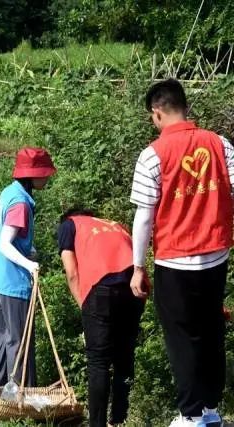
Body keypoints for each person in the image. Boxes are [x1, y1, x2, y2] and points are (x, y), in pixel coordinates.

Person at [130, 78, 234, 427]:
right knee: (210, 330)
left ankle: (190, 415)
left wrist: (136, 267)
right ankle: (210, 409)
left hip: (175, 262)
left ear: (156, 113)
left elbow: (144, 216)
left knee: (181, 336)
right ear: (185, 108)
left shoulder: (152, 155)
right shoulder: (220, 144)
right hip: (216, 258)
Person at [57, 209, 146, 427]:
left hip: (101, 290)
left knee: (98, 362)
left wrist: (84, 306)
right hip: (133, 290)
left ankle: (97, 424)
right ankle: (120, 420)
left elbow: (71, 272)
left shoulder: (69, 224)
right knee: (125, 358)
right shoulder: (115, 223)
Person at [0, 147, 56, 391]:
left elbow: (9, 235)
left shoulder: (10, 192)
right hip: (11, 282)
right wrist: (30, 264)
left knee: (2, 337)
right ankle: (21, 397)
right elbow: (5, 244)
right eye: (44, 173)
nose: (47, 177)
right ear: (32, 175)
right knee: (20, 341)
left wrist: (27, 249)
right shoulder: (21, 203)